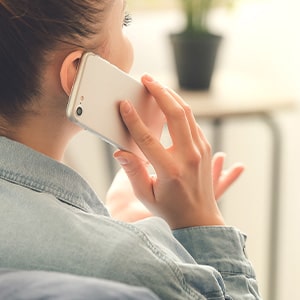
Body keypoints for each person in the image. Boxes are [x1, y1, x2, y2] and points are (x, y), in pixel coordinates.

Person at [0, 0, 261, 299]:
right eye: (123, 23)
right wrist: (201, 221)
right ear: (76, 71)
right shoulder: (137, 269)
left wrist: (113, 224)